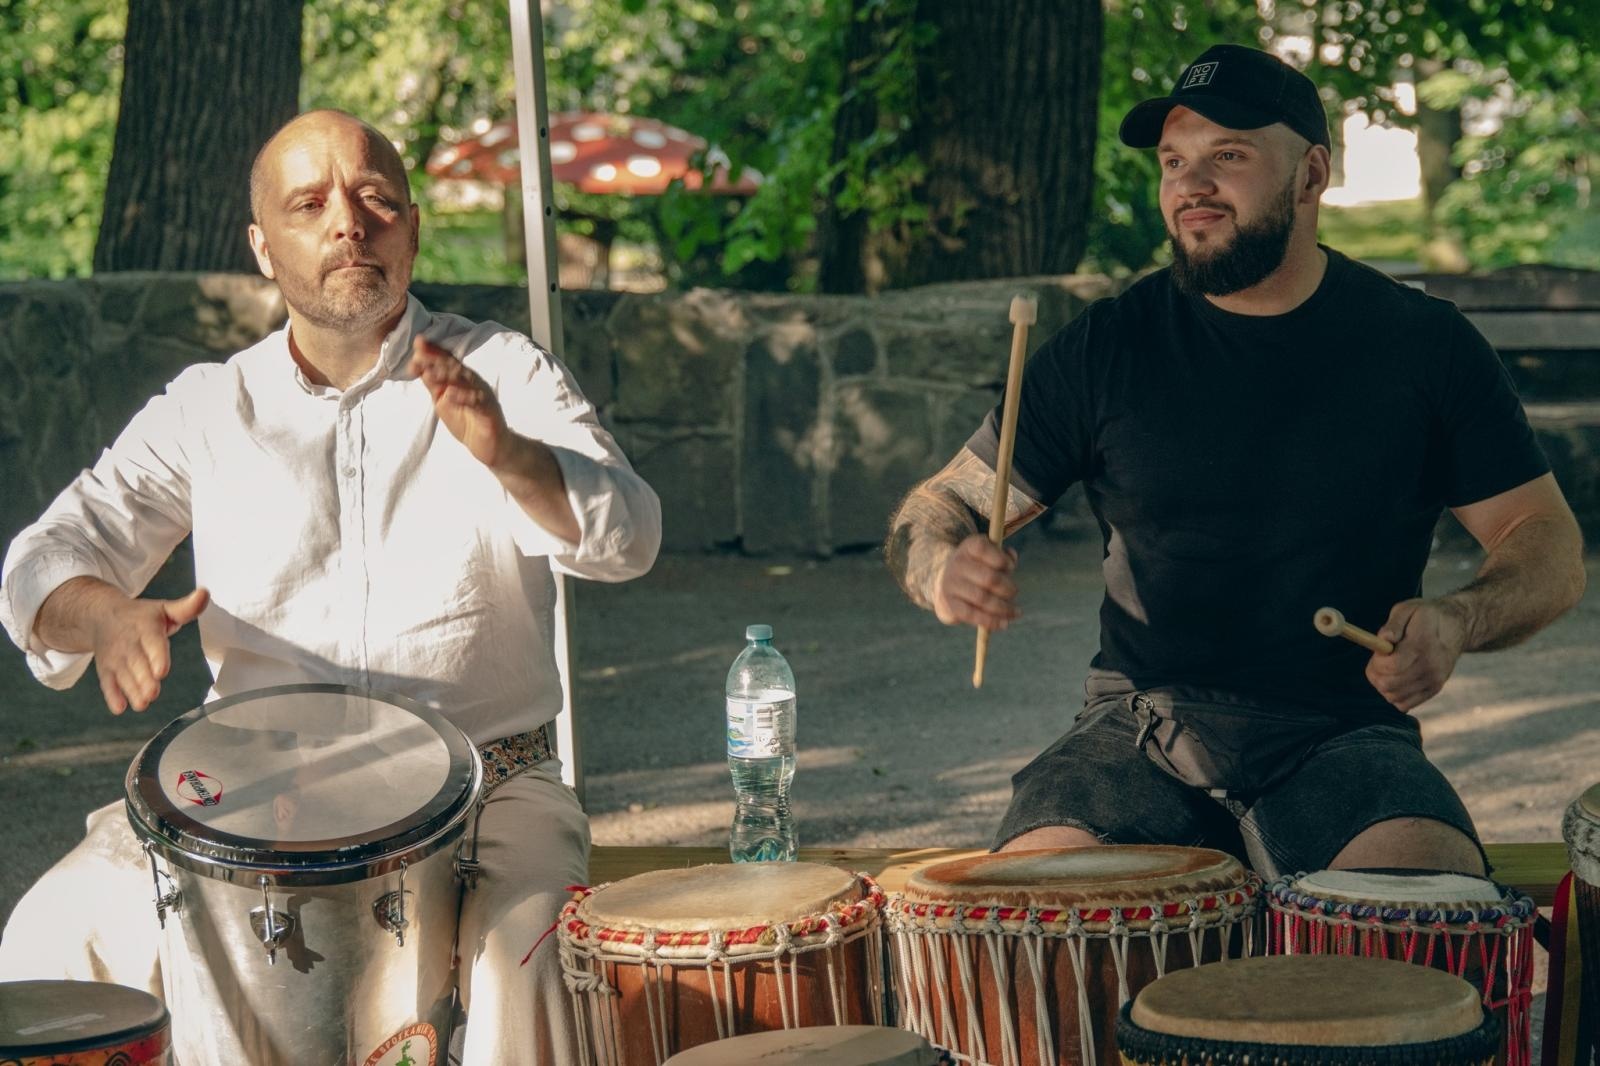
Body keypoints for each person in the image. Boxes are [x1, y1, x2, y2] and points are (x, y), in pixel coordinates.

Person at [0, 109, 661, 1065]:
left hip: (490, 788)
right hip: (249, 802)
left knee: (526, 959)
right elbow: (39, 559)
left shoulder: (499, 370)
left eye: (376, 198)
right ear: (266, 249)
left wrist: (512, 456)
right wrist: (105, 616)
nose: (350, 222)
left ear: (412, 227)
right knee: (54, 934)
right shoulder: (206, 408)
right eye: (311, 205)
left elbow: (630, 535)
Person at [886, 44, 1585, 880]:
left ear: (1311, 174)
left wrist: (1461, 619)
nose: (1190, 184)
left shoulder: (1423, 346)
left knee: (1424, 895)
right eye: (1174, 162)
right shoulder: (1108, 345)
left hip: (1343, 733)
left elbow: (1546, 542)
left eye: (1229, 156)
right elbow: (941, 506)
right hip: (1137, 730)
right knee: (1035, 898)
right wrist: (940, 564)